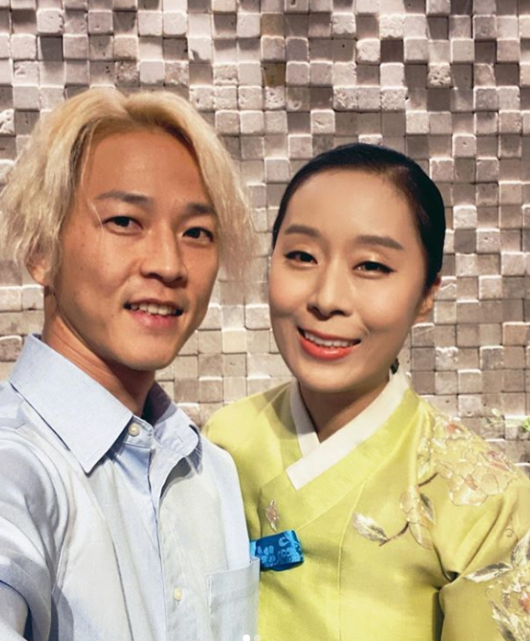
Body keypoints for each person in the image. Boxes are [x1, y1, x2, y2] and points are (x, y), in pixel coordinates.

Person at [0, 88, 259, 641]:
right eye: (125, 221)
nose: (169, 263)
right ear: (41, 250)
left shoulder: (212, 472)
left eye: (196, 232)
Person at [206, 143, 530, 641]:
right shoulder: (224, 443)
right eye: (301, 256)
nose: (327, 298)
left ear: (427, 294)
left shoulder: (486, 503)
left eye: (372, 266)